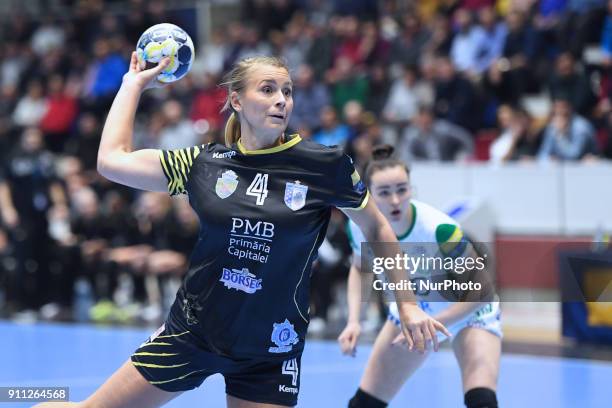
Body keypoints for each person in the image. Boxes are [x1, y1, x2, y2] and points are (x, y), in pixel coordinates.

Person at [36, 54, 449, 408]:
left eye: (286, 91)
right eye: (267, 90)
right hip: (192, 334)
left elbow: (378, 225)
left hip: (270, 350)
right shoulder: (204, 163)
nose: (281, 100)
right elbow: (111, 160)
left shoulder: (324, 165)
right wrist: (132, 84)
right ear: (236, 100)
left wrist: (407, 302)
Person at [338, 145, 502, 408]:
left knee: (481, 401)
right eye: (384, 192)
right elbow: (360, 268)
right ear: (369, 194)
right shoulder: (360, 226)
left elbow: (482, 291)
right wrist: (354, 321)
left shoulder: (440, 230)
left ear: (411, 189)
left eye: (402, 190)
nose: (394, 201)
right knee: (364, 404)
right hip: (413, 314)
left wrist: (434, 323)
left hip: (468, 313)